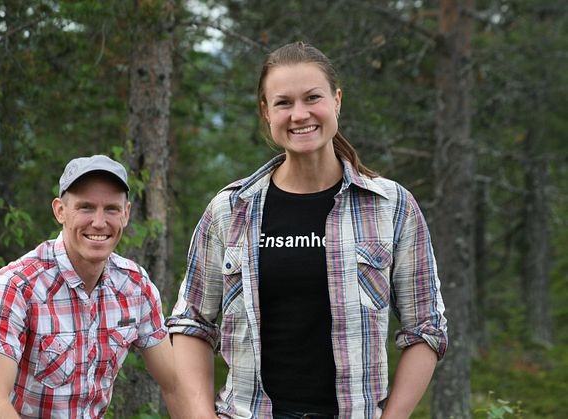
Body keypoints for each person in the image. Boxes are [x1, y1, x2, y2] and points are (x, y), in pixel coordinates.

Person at [166, 42, 448, 418]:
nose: (300, 115)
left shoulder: (391, 207)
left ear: (337, 101)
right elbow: (192, 322)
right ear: (266, 112)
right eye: (283, 103)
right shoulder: (230, 210)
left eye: (312, 98)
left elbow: (426, 328)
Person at [0, 155, 176, 418]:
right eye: (86, 207)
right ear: (60, 211)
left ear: (126, 214)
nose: (99, 222)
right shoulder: (16, 286)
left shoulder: (136, 287)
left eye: (111, 209)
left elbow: (174, 384)